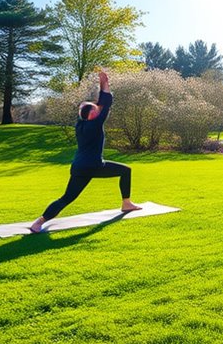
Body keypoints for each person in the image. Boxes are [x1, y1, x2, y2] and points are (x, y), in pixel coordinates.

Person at [30, 70, 141, 233]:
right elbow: (106, 103)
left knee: (67, 198)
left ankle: (39, 222)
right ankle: (126, 203)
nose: (99, 111)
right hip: (94, 166)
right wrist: (105, 83)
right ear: (91, 115)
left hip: (78, 167)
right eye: (95, 110)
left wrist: (102, 84)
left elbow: (98, 105)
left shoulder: (80, 124)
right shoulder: (95, 124)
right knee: (126, 170)